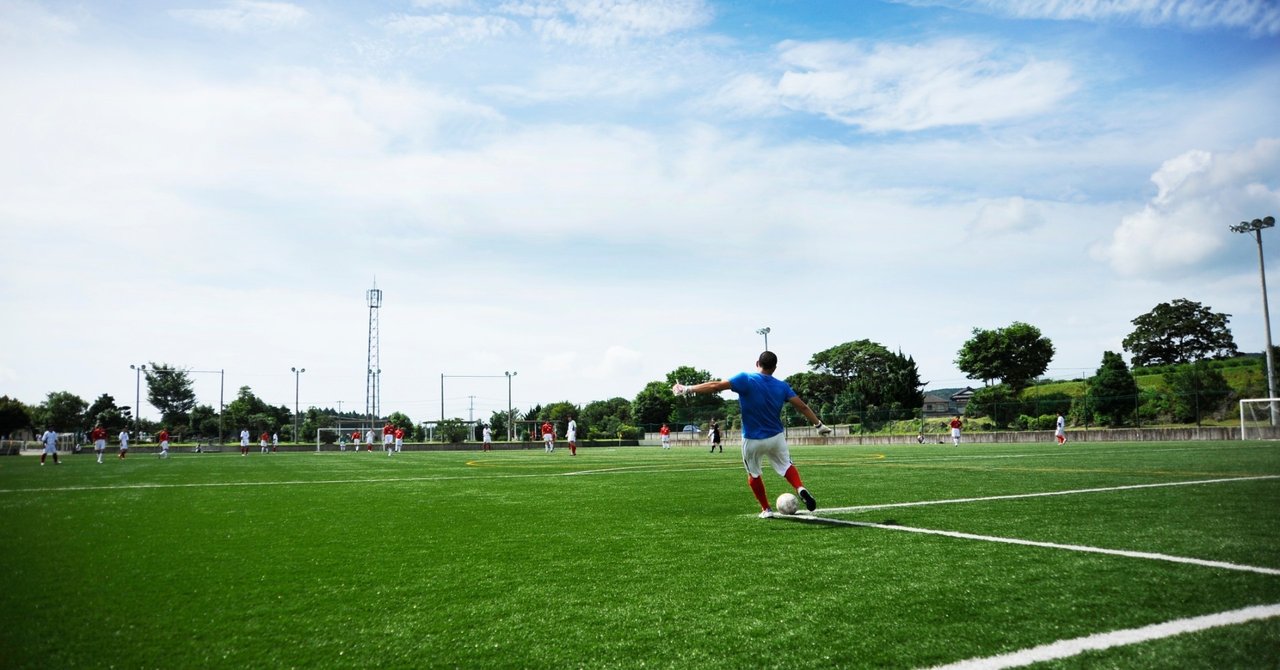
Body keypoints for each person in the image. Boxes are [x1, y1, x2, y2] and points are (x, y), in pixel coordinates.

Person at [673, 351, 831, 518]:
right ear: (775, 368)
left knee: (754, 474)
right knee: (786, 466)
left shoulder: (745, 379)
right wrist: (819, 425)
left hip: (752, 439)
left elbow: (715, 386)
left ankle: (766, 509)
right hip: (776, 437)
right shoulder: (782, 386)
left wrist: (687, 388)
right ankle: (799, 487)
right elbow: (802, 406)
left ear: (757, 363)